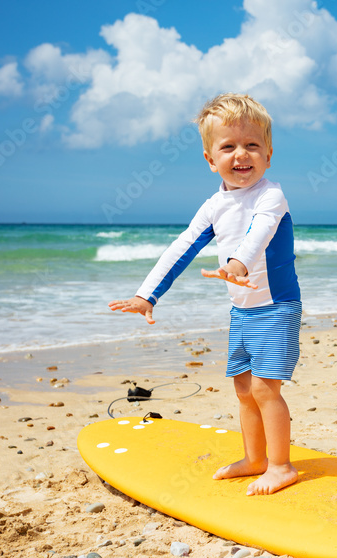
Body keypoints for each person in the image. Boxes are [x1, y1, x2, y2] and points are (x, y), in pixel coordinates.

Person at [108, 93, 301, 495]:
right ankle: (254, 459)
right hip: (243, 312)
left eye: (251, 145)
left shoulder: (271, 196)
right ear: (210, 159)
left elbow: (258, 235)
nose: (241, 154)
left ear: (268, 153)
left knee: (267, 389)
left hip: (277, 307)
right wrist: (148, 295)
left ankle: (281, 466)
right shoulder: (214, 205)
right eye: (228, 146)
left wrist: (236, 265)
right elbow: (181, 248)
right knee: (245, 389)